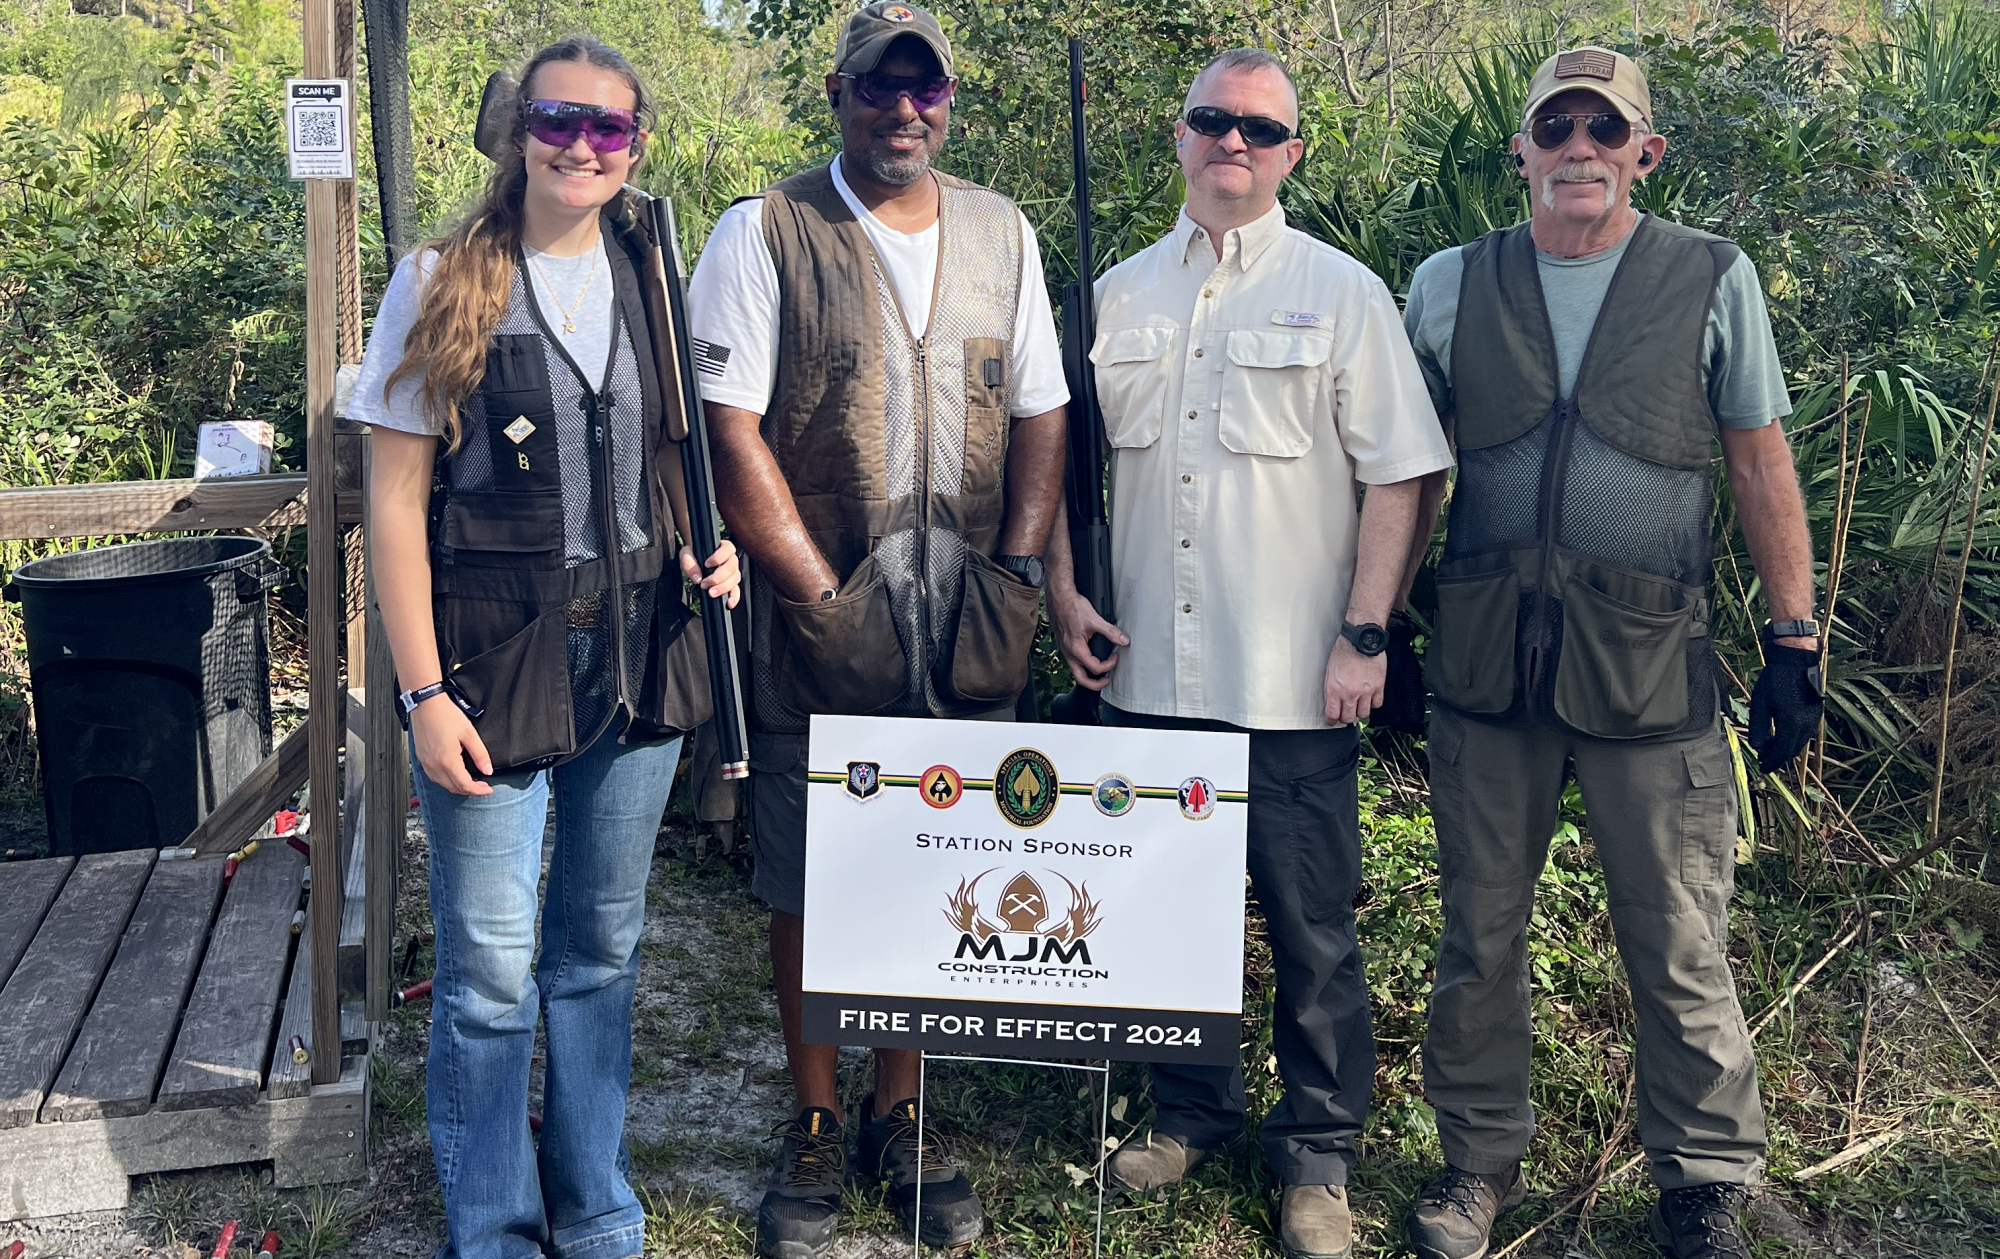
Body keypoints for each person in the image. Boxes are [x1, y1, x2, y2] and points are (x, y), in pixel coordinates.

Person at [1397, 47, 1820, 1259]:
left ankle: (1699, 1181)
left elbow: (1755, 458)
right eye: (1555, 125)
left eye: (1603, 127)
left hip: (1650, 672)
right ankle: (1472, 1166)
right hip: (1484, 672)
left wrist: (1792, 640)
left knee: (1678, 934)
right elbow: (1408, 470)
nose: (1577, 146)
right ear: (1520, 148)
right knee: (1478, 933)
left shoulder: (1708, 276)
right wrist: (1377, 626)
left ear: (1645, 150)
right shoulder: (1444, 283)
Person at [1045, 48, 1453, 1259]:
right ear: (1176, 137)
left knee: (1311, 929)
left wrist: (1363, 632)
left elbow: (1404, 472)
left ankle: (1317, 1152)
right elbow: (1061, 478)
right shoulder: (1113, 295)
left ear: (1289, 154)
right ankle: (1189, 1112)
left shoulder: (1341, 293)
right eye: (1211, 121)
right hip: (1146, 680)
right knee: (1165, 917)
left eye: (1258, 130)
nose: (1232, 142)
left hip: (1290, 680)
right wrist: (1063, 593)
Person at [687, 5, 1068, 1255]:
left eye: (926, 90)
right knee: (807, 871)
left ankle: (898, 1114)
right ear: (838, 94)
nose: (904, 110)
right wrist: (814, 591)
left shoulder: (1003, 232)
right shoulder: (765, 230)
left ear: (950, 100)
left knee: (931, 867)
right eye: (878, 88)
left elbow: (1039, 411)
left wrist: (1018, 570)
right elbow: (725, 426)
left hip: (966, 622)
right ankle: (809, 1114)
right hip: (817, 623)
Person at [354, 36, 740, 1259]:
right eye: (561, 120)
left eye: (610, 129)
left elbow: (669, 458)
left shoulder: (654, 274)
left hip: (636, 653)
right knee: (485, 969)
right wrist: (419, 690)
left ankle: (595, 1200)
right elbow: (395, 510)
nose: (583, 146)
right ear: (518, 128)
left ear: (635, 149)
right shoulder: (440, 280)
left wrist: (698, 546)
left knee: (601, 948)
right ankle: (494, 1222)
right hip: (488, 665)